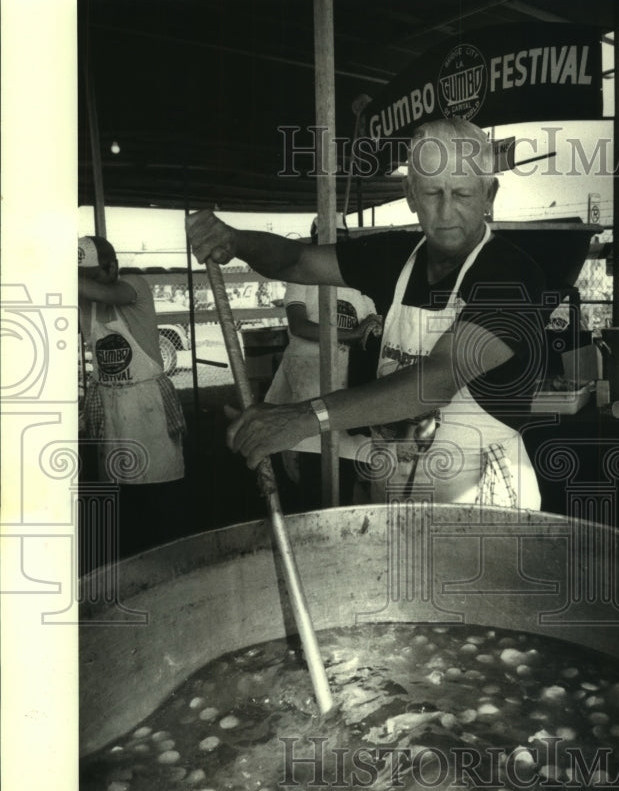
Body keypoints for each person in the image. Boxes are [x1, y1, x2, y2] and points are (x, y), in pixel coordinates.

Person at [186, 118, 548, 510]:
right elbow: (296, 262)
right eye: (431, 192)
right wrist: (236, 241)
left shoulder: (514, 276)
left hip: (482, 504)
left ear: (489, 194)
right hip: (396, 492)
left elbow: (436, 381)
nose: (445, 213)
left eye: (461, 194)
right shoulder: (396, 257)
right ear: (410, 195)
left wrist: (301, 418)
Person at [78, 235, 187, 555]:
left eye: (94, 273)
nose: (87, 282)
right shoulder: (86, 301)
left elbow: (100, 291)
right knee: (122, 497)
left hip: (146, 405)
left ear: (113, 266)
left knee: (159, 494)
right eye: (82, 275)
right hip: (112, 408)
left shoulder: (134, 286)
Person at [264, 213, 382, 502]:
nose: (332, 245)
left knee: (348, 473)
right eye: (324, 238)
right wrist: (351, 335)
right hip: (309, 383)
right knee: (311, 473)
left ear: (347, 239)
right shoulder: (301, 277)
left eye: (339, 239)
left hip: (347, 386)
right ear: (315, 240)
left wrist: (373, 325)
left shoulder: (359, 280)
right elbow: (299, 325)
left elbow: (373, 320)